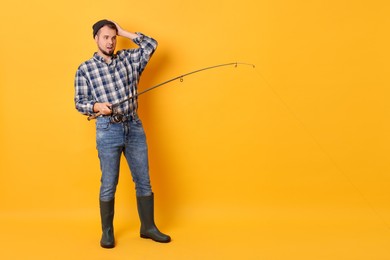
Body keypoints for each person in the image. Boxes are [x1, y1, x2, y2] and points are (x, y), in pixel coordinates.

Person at [74, 19, 171, 248]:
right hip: (108, 130)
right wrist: (97, 106)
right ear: (96, 39)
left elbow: (151, 45)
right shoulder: (85, 69)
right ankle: (107, 232)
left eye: (113, 37)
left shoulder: (129, 59)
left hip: (134, 127)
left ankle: (148, 227)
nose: (110, 42)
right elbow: (79, 102)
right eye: (105, 37)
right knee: (109, 183)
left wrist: (125, 31)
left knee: (143, 181)